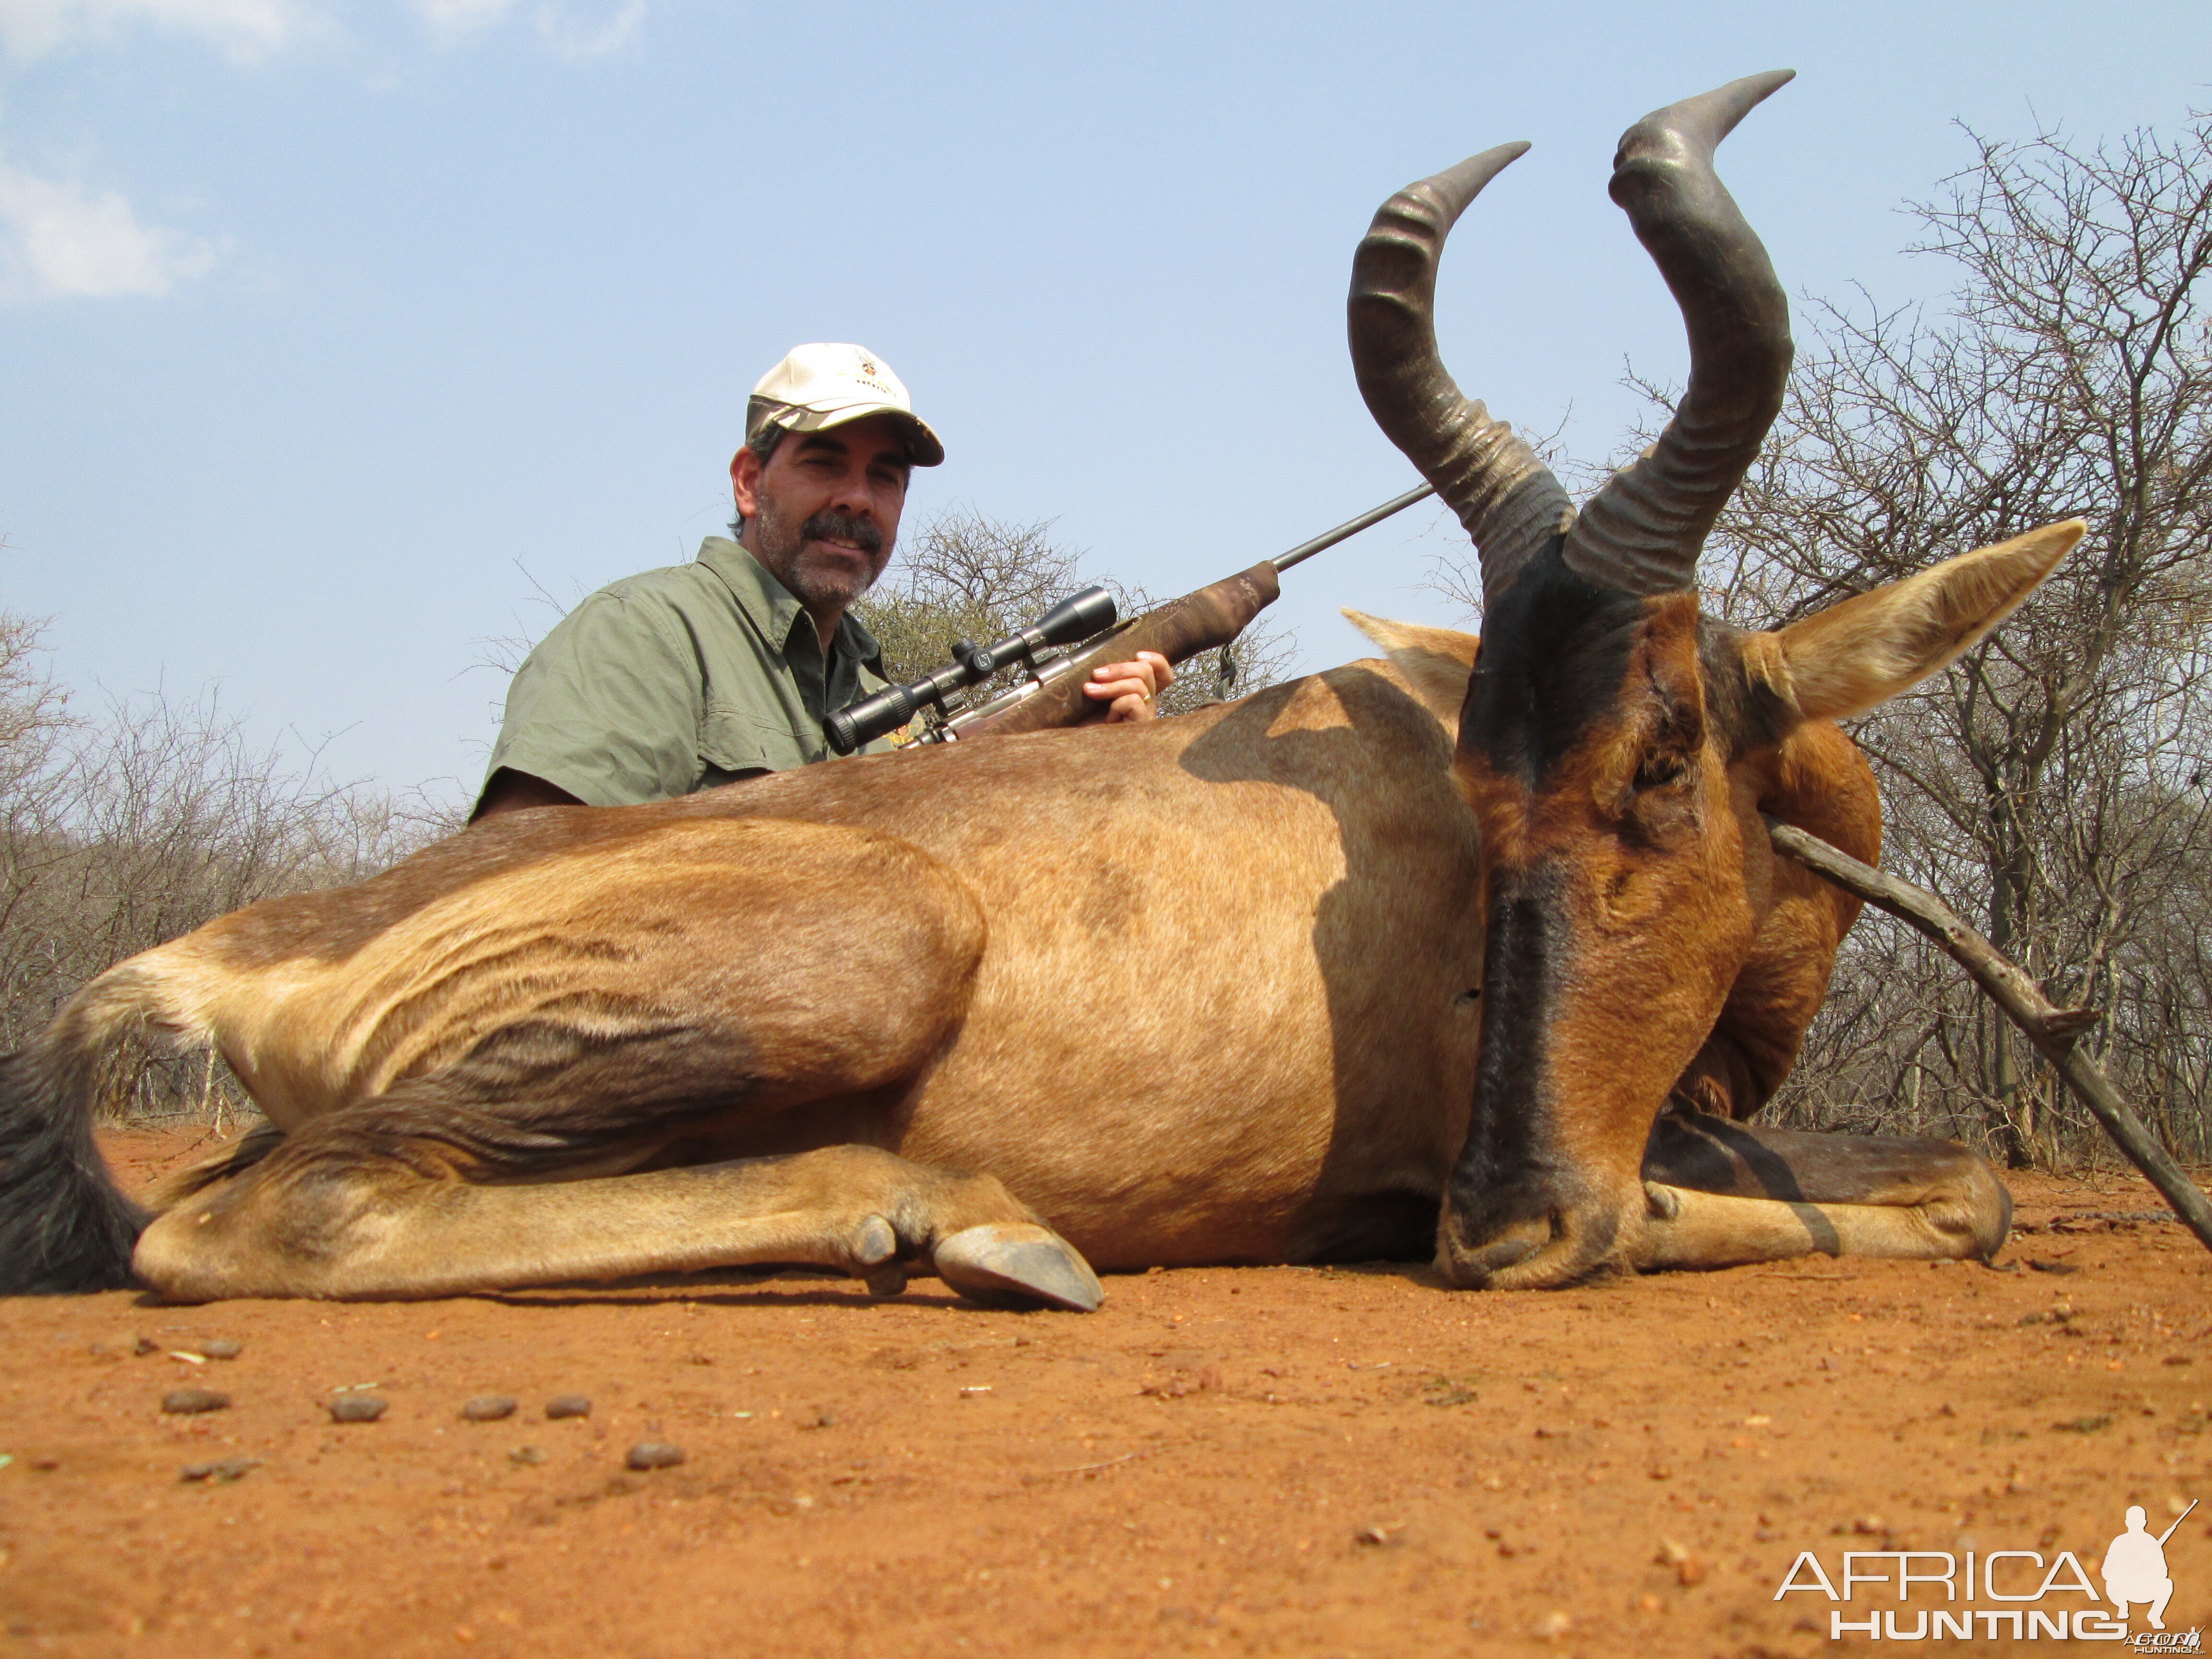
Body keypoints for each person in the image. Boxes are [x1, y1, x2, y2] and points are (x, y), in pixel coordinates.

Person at [473, 343, 1172, 819]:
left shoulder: (879, 704)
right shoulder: (644, 633)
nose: (858, 498)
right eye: (824, 464)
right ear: (750, 482)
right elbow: (512, 893)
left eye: (885, 477)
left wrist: (1091, 768)